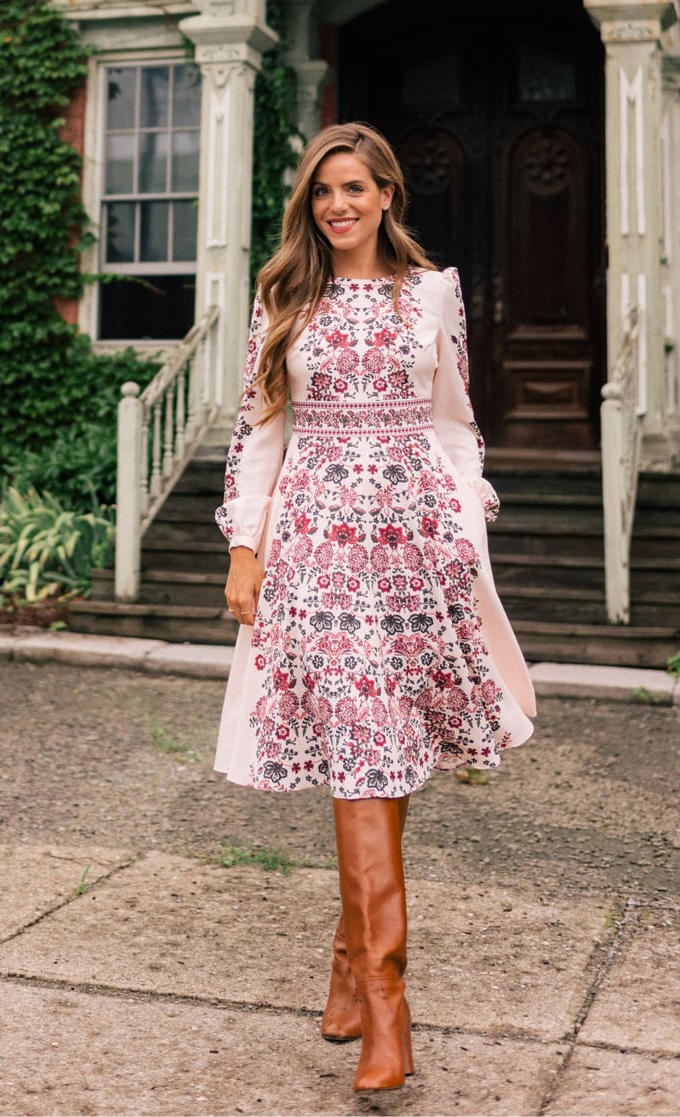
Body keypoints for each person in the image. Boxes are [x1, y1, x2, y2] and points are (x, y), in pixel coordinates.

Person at [214, 121, 536, 1093]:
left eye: (353, 188)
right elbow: (258, 434)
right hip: (313, 551)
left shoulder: (431, 294)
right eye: (322, 192)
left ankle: (354, 960)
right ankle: (386, 1008)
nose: (337, 205)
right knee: (357, 748)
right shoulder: (284, 295)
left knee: (382, 750)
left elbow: (455, 428)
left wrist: (462, 524)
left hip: (409, 551)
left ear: (386, 193)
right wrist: (244, 547)